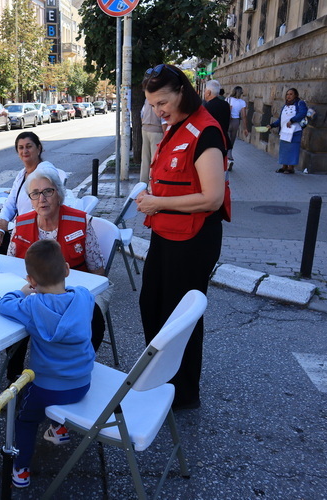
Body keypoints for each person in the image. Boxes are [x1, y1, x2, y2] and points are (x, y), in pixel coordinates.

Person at [136, 64, 231, 410]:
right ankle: (160, 377)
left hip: (193, 240)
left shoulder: (206, 130)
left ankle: (182, 391)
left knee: (181, 318)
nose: (158, 110)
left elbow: (213, 197)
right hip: (167, 233)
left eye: (162, 102)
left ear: (182, 92)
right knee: (152, 303)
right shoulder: (177, 126)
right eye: (152, 104)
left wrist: (158, 202)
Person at [0, 239, 95, 489]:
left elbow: (4, 305)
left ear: (31, 280)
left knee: (25, 418)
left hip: (46, 387)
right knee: (58, 393)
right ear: (66, 269)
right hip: (82, 381)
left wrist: (21, 291)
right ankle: (59, 430)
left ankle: (20, 469)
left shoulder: (31, 305)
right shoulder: (84, 297)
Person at [6, 164, 107, 380]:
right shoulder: (20, 224)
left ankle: (76, 364)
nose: (41, 199)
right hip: (34, 291)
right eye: (35, 193)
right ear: (30, 199)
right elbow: (11, 266)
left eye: (47, 191)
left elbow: (98, 271)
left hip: (73, 292)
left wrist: (72, 297)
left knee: (95, 318)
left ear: (58, 194)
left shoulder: (81, 221)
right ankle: (13, 376)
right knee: (18, 319)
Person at [0, 131, 66, 254]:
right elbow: (10, 203)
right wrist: (0, 225)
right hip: (20, 229)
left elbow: (44, 211)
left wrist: (9, 226)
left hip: (36, 233)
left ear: (39, 148)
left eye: (29, 146)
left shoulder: (45, 172)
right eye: (20, 148)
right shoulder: (22, 174)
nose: (24, 151)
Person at [270, 88, 308, 174]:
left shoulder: (300, 103)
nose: (288, 96)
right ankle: (284, 167)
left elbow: (302, 113)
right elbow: (281, 119)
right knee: (284, 149)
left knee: (292, 149)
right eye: (287, 94)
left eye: (291, 94)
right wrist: (272, 125)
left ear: (295, 95)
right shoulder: (285, 105)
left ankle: (291, 168)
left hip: (295, 131)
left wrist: (292, 120)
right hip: (284, 131)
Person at [203, 80, 231, 160]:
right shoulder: (226, 105)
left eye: (205, 91)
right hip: (224, 140)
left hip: (210, 143)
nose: (204, 93)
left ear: (208, 92)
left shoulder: (206, 107)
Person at [140, 100, 166, 183]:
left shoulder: (147, 99)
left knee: (145, 158)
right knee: (154, 160)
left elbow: (142, 114)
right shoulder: (160, 98)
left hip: (145, 128)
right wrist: (166, 136)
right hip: (157, 130)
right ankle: (152, 184)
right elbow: (163, 120)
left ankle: (143, 183)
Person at [226, 86, 248, 169]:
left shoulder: (228, 99)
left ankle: (227, 158)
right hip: (236, 122)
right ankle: (230, 156)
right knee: (232, 140)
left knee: (226, 140)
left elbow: (226, 110)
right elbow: (244, 116)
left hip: (228, 121)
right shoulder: (242, 102)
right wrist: (245, 128)